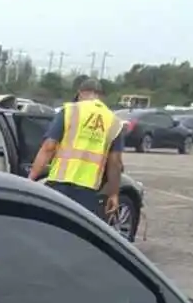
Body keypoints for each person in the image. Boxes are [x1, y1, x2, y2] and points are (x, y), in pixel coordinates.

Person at [28, 77, 126, 226]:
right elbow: (115, 163)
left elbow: (49, 147)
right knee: (77, 233)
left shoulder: (70, 111)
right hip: (88, 190)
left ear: (80, 93)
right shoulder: (113, 121)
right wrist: (114, 194)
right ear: (101, 95)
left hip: (58, 184)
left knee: (52, 229)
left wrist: (31, 180)